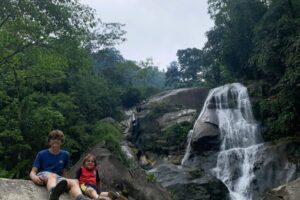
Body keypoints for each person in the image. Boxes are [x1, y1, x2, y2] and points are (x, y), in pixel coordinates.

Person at [30, 129, 90, 200]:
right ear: (49, 141)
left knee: (75, 181)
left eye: (58, 139)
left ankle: (81, 198)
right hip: (44, 175)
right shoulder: (41, 154)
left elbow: (64, 173)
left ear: (61, 142)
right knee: (53, 176)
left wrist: (68, 182)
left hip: (58, 179)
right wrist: (34, 178)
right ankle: (53, 194)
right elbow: (33, 171)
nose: (55, 140)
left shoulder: (65, 155)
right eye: (53, 138)